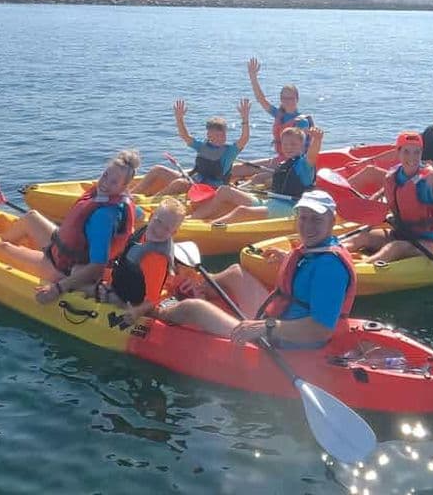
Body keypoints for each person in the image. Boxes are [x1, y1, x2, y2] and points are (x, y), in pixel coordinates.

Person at [157, 190, 356, 349]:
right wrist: (287, 258)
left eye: (317, 219)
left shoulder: (330, 268)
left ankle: (154, 312)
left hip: (287, 341)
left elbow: (320, 329)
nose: (308, 225)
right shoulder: (318, 248)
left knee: (192, 308)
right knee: (235, 272)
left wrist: (265, 327)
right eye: (303, 218)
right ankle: (200, 289)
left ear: (332, 221)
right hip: (280, 318)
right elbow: (311, 276)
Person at [0, 150, 141, 304]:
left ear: (124, 187)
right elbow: (138, 216)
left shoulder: (104, 216)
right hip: (65, 252)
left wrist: (58, 288)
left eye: (114, 181)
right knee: (31, 217)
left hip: (64, 269)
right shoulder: (116, 200)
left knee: (3, 249)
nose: (105, 182)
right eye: (105, 175)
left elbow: (97, 266)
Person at [342, 132, 433, 263]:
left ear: (421, 153)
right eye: (406, 152)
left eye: (416, 152)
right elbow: (386, 197)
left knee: (395, 248)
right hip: (400, 235)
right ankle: (330, 254)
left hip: (430, 243)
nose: (412, 157)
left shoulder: (431, 179)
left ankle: (354, 271)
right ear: (398, 153)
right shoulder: (393, 175)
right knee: (362, 238)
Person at [79, 198, 186, 323]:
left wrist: (137, 312)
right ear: (151, 217)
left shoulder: (157, 259)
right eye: (158, 222)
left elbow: (151, 300)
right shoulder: (142, 233)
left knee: (80, 284)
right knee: (79, 269)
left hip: (128, 300)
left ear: (174, 233)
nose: (159, 230)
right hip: (118, 283)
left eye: (167, 229)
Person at [189, 126, 324, 223]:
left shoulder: (304, 165)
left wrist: (317, 140)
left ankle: (212, 227)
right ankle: (192, 219)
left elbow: (312, 156)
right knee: (224, 190)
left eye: (293, 144)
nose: (289, 147)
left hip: (289, 209)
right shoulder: (284, 164)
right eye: (286, 144)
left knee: (242, 211)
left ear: (302, 145)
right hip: (271, 203)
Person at [132, 99, 250, 196]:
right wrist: (179, 119)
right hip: (195, 181)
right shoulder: (202, 146)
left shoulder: (229, 151)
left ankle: (153, 201)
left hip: (211, 189)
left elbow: (244, 139)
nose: (222, 138)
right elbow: (185, 136)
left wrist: (245, 119)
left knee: (180, 183)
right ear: (209, 135)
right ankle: (131, 195)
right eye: (218, 135)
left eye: (223, 134)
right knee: (158, 169)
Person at [230, 58, 311, 179]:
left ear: (297, 99)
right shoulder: (279, 114)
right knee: (235, 170)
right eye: (284, 98)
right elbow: (261, 99)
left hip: (292, 164)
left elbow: (300, 153)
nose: (287, 101)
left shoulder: (302, 122)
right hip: (279, 159)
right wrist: (253, 77)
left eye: (291, 98)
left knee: (258, 177)